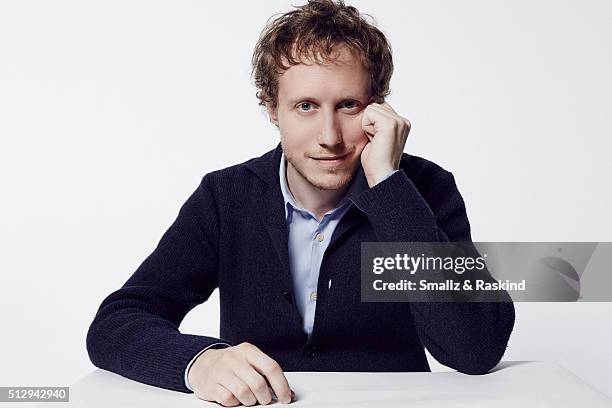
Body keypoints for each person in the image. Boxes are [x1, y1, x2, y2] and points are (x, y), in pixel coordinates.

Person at [86, 0, 515, 406]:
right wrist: (198, 361)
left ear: (379, 107)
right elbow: (117, 322)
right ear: (272, 109)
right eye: (306, 106)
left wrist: (388, 186)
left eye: (348, 105)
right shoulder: (226, 197)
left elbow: (475, 347)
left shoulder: (422, 189)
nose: (329, 136)